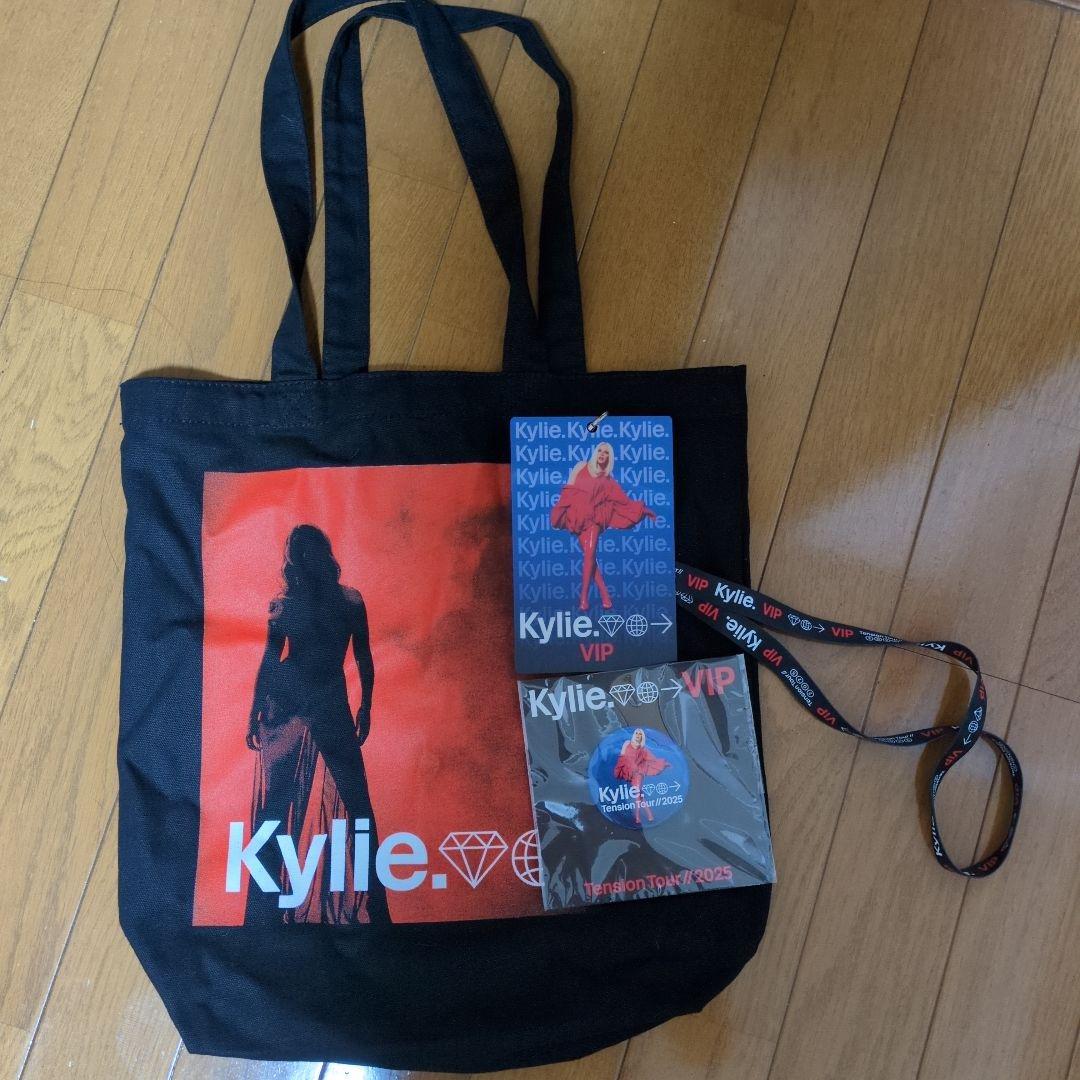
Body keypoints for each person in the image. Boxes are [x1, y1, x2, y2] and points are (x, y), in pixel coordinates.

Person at [245, 524, 390, 925]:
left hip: (325, 701)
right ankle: (264, 910)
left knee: (356, 801)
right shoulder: (287, 605)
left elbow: (364, 657)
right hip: (288, 703)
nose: (305, 560)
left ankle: (375, 904)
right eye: (301, 554)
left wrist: (366, 706)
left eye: (309, 552)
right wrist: (254, 711)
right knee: (277, 807)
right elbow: (270, 660)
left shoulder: (347, 601)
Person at [549, 442, 656, 610]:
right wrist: (559, 513)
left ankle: (583, 599)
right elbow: (568, 490)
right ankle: (605, 595)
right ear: (595, 452)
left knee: (589, 555)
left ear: (609, 457)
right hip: (577, 517)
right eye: (600, 450)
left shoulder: (608, 480)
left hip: (595, 520)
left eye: (606, 452)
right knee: (590, 560)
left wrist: (644, 510)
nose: (602, 454)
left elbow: (625, 501)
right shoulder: (581, 466)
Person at [614, 728, 669, 825]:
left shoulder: (643, 749)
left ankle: (637, 817)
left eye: (640, 734)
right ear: (634, 734)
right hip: (630, 773)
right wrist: (620, 769)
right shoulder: (627, 743)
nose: (638, 735)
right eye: (637, 733)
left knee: (637, 794)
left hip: (638, 773)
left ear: (642, 737)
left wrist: (663, 764)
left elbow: (652, 759)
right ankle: (650, 815)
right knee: (640, 796)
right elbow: (622, 757)